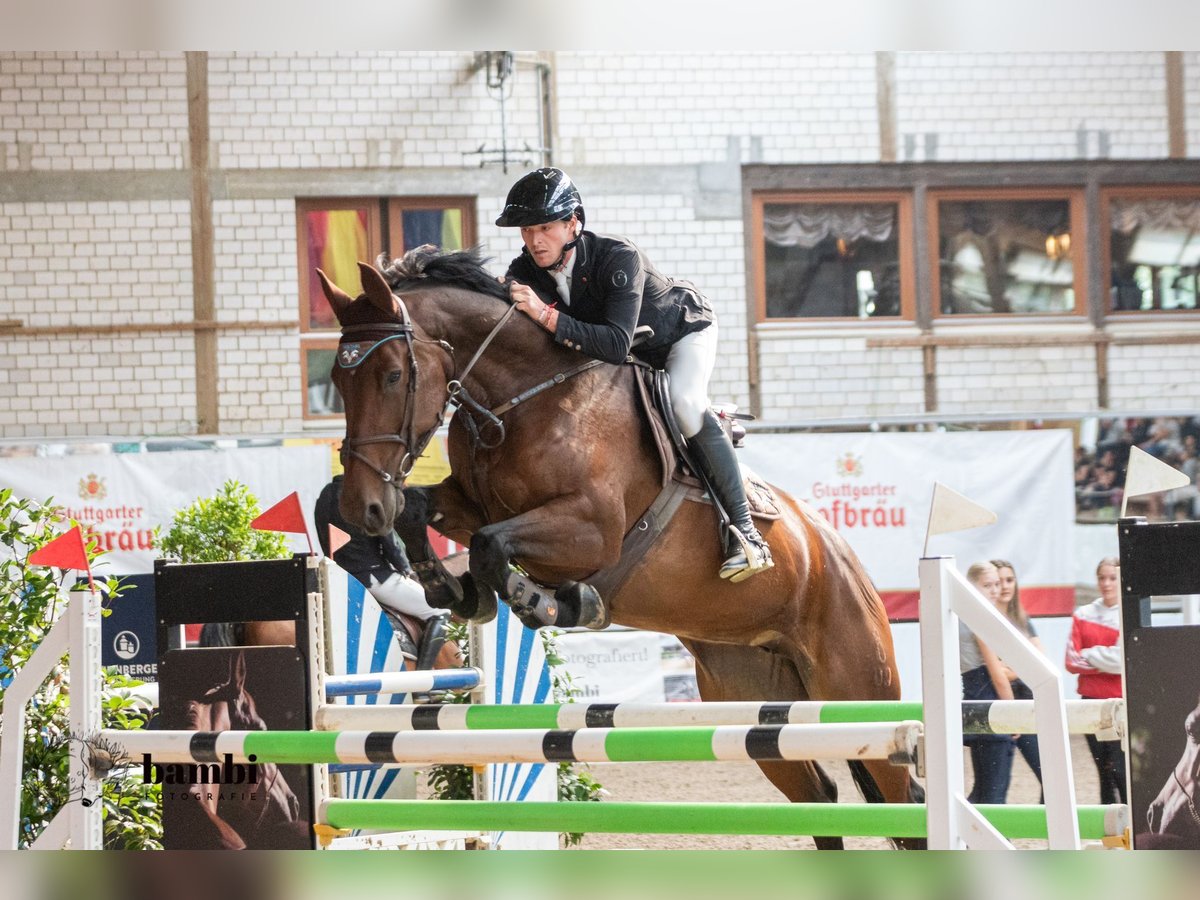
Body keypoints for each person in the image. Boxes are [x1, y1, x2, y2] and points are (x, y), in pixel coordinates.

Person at [494, 166, 772, 582]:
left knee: (685, 404)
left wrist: (545, 314)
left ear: (574, 223)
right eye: (526, 230)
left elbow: (614, 344)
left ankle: (746, 534)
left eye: (546, 227)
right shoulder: (526, 270)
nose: (535, 240)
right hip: (626, 355)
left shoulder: (617, 256)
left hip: (678, 334)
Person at [314, 474, 451, 670]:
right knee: (440, 610)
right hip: (374, 578)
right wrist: (407, 569)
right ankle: (423, 678)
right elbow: (390, 543)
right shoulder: (370, 496)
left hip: (337, 578)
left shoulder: (325, 496)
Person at [959, 561, 1045, 804]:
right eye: (989, 585)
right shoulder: (980, 619)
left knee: (985, 787)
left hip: (978, 699)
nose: (996, 589)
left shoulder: (967, 617)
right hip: (991, 703)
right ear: (972, 587)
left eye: (998, 583)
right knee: (993, 791)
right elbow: (998, 675)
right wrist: (1012, 713)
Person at [1065, 556, 1127, 804]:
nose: (1106, 583)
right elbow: (1071, 661)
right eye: (1102, 577)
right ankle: (1109, 827)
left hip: (1119, 701)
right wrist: (1107, 658)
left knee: (1119, 769)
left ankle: (1132, 827)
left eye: (1112, 577)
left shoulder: (1127, 613)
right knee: (1102, 770)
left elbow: (1123, 661)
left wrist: (1089, 654)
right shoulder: (1083, 614)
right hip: (1090, 701)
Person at [990, 559, 1045, 798]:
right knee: (995, 787)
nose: (1005, 586)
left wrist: (1011, 668)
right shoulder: (986, 622)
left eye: (1009, 580)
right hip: (1001, 708)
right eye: (999, 581)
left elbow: (1040, 661)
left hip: (1030, 708)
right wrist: (1021, 666)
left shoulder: (1023, 619)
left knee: (1050, 776)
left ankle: (1049, 830)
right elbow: (997, 672)